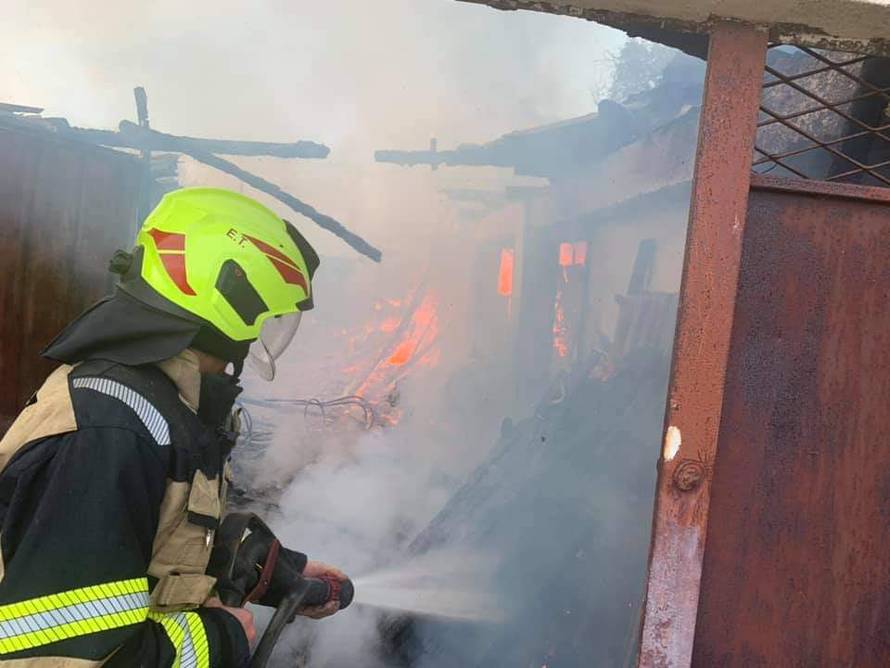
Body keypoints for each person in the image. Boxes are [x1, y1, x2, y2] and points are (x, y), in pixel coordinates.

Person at [0, 188, 349, 667]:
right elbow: (55, 656)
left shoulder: (154, 407)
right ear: (232, 301)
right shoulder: (111, 431)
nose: (261, 336)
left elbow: (153, 534)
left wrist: (275, 571)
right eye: (269, 316)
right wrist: (220, 638)